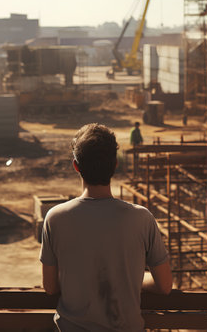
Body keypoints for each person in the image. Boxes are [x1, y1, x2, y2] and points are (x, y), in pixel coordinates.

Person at [40, 123, 172, 332]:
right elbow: (165, 286)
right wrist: (131, 276)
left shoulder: (55, 218)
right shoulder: (142, 218)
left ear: (76, 165)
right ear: (115, 164)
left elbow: (50, 287)